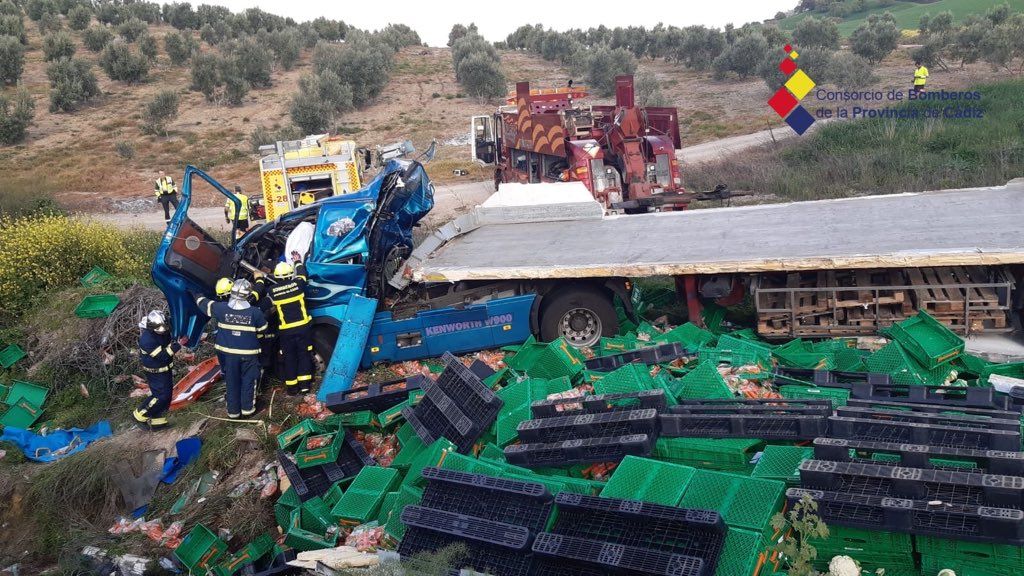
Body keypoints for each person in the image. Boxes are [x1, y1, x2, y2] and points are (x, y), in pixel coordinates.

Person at [194, 280, 267, 418]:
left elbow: (204, 303)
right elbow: (263, 328)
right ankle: (247, 410)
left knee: (231, 381)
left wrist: (195, 293)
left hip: (227, 355)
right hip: (248, 354)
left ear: (231, 292)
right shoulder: (254, 312)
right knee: (248, 381)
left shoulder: (221, 308)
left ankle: (233, 412)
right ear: (248, 294)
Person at [256, 252, 313, 394]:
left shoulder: (273, 291)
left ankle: (292, 388)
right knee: (304, 355)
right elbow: (302, 274)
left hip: (286, 331)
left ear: (276, 276)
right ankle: (305, 385)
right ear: (290, 275)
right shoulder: (298, 284)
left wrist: (259, 282)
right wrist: (297, 261)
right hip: (303, 327)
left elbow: (262, 306)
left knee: (289, 357)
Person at [133, 310, 188, 429]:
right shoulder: (147, 340)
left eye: (164, 326)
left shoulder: (162, 330)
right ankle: (140, 414)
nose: (163, 329)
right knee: (160, 396)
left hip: (165, 369)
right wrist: (178, 345)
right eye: (160, 327)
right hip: (155, 372)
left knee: (167, 397)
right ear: (152, 327)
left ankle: (158, 422)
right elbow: (162, 356)